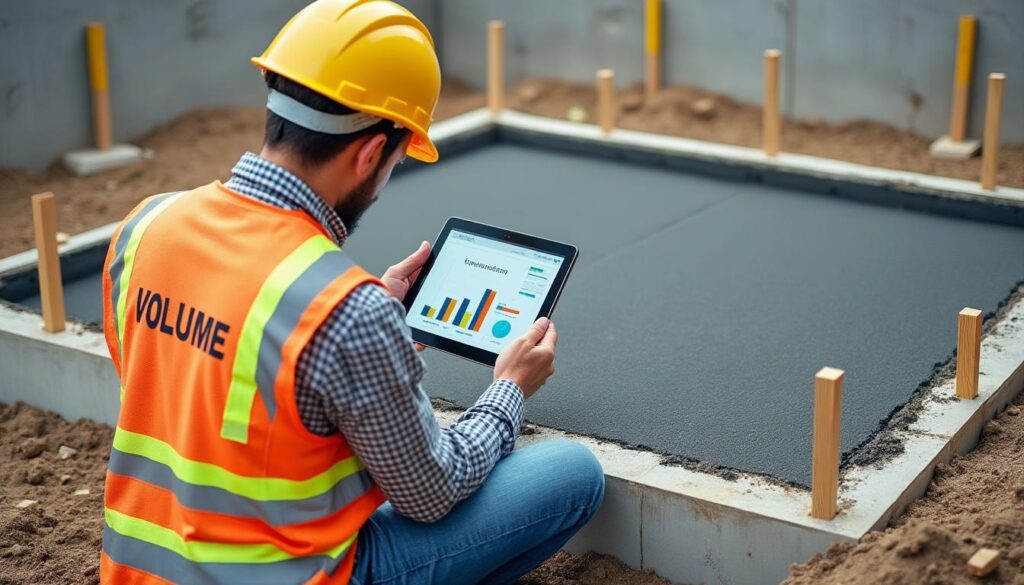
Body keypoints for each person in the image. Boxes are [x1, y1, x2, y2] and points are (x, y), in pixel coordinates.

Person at [98, 1, 604, 583]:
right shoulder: (342, 308)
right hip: (289, 573)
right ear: (370, 153)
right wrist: (509, 388)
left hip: (138, 568)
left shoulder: (145, 225)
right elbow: (433, 490)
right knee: (572, 476)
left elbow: (189, 376)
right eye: (395, 159)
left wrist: (360, 335)